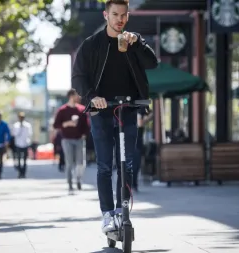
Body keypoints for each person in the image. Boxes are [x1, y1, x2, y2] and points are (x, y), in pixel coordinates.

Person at [71, 0, 158, 233]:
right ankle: (107, 214)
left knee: (127, 164)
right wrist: (91, 96)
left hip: (127, 109)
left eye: (124, 15)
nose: (120, 19)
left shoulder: (133, 42)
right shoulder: (92, 45)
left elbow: (153, 63)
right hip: (101, 111)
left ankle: (123, 210)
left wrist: (138, 43)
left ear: (128, 16)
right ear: (105, 15)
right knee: (104, 167)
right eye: (115, 14)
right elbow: (78, 78)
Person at [53, 89, 90, 194]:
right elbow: (55, 125)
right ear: (71, 96)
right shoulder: (62, 110)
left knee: (81, 162)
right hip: (67, 139)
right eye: (76, 95)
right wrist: (66, 124)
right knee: (69, 162)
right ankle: (70, 184)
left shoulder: (82, 109)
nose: (78, 97)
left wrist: (84, 135)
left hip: (79, 139)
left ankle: (78, 179)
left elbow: (86, 125)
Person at [132, 110, 153, 192]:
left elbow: (151, 114)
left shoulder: (141, 108)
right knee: (129, 164)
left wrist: (144, 120)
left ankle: (134, 184)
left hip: (138, 143)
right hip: (128, 141)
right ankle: (130, 184)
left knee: (136, 165)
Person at [11, 112, 33, 178]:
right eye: (20, 117)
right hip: (18, 144)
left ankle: (24, 173)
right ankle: (20, 173)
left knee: (24, 160)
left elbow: (30, 134)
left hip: (25, 144)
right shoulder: (16, 125)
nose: (21, 118)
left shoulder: (28, 125)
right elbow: (14, 134)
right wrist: (20, 128)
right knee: (19, 159)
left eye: (22, 117)